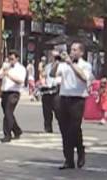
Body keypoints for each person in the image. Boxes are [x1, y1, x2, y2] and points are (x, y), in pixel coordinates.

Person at [51, 42, 93, 170]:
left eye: (75, 50)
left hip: (78, 99)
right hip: (64, 98)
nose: (72, 52)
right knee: (64, 130)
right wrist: (56, 61)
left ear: (81, 52)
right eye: (71, 49)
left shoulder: (85, 65)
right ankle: (68, 160)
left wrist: (71, 64)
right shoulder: (64, 64)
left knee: (74, 129)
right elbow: (53, 74)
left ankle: (80, 151)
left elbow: (83, 77)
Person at [0, 50, 26, 143]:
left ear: (17, 58)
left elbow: (20, 81)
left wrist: (9, 75)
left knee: (8, 112)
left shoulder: (21, 68)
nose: (11, 60)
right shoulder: (5, 66)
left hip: (14, 93)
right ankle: (17, 130)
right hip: (5, 92)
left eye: (12, 59)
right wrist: (3, 72)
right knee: (7, 113)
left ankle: (7, 134)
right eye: (9, 58)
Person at [40, 50, 61, 133]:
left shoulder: (62, 66)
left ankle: (63, 126)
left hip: (57, 88)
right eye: (52, 56)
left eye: (55, 56)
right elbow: (44, 75)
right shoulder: (48, 66)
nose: (53, 58)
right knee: (46, 110)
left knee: (58, 109)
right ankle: (47, 127)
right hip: (47, 88)